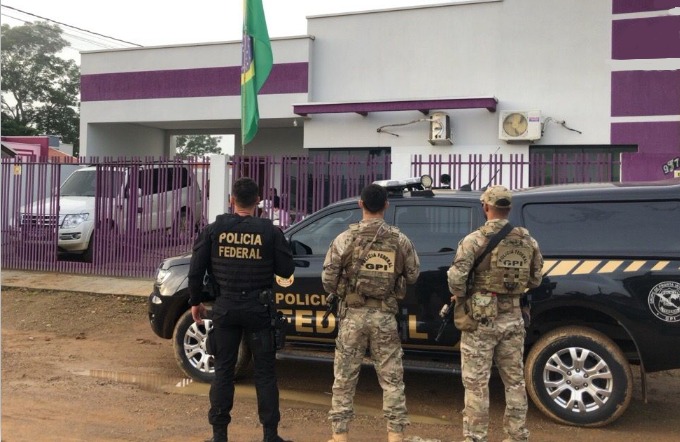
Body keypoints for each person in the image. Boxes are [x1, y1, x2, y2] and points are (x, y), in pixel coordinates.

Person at [188, 177, 295, 442]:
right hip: (259, 311)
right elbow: (286, 270)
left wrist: (195, 301)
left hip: (225, 309)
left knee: (224, 371)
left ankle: (219, 436)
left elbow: (195, 270)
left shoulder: (213, 230)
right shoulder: (270, 232)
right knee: (265, 373)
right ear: (258, 200)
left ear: (231, 200)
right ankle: (270, 436)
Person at [322, 184, 421, 442]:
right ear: (386, 205)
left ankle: (340, 436)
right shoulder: (400, 240)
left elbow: (328, 280)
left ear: (360, 204)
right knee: (392, 379)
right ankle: (395, 436)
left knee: (344, 377)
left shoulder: (345, 239)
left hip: (353, 315)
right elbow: (412, 275)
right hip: (384, 316)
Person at [447, 185, 543, 442]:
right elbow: (535, 280)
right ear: (508, 208)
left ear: (486, 207)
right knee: (514, 382)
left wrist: (464, 293)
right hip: (513, 318)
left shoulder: (474, 240)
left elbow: (456, 281)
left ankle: (476, 438)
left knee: (477, 385)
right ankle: (516, 436)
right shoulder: (527, 240)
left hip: (480, 319)